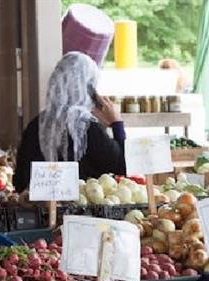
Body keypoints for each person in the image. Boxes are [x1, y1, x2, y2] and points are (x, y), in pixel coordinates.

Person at [15, 52, 126, 192]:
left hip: (39, 211)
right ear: (88, 88)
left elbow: (19, 181)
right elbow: (122, 165)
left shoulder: (36, 126)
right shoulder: (86, 128)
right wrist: (117, 123)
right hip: (82, 212)